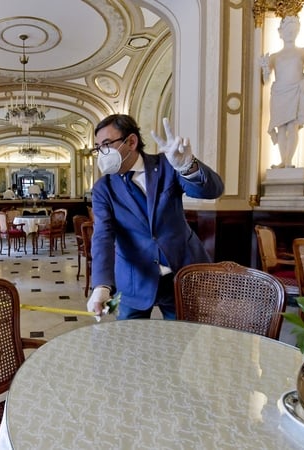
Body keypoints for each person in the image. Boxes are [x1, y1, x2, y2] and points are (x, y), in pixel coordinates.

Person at [86, 115, 224, 320]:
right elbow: (102, 236)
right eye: (98, 148)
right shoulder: (103, 189)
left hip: (182, 272)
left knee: (184, 337)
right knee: (129, 338)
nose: (102, 153)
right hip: (135, 279)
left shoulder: (168, 165)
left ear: (131, 142)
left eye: (107, 145)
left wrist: (188, 167)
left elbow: (213, 191)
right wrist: (101, 285)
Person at [261, 15, 304, 169]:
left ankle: (288, 162)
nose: (290, 33)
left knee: (292, 127)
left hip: (295, 92)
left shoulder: (302, 51)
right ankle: (283, 160)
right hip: (279, 93)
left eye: (293, 30)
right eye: (287, 30)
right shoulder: (274, 56)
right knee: (281, 128)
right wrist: (265, 68)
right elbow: (265, 80)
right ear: (280, 32)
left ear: (298, 31)